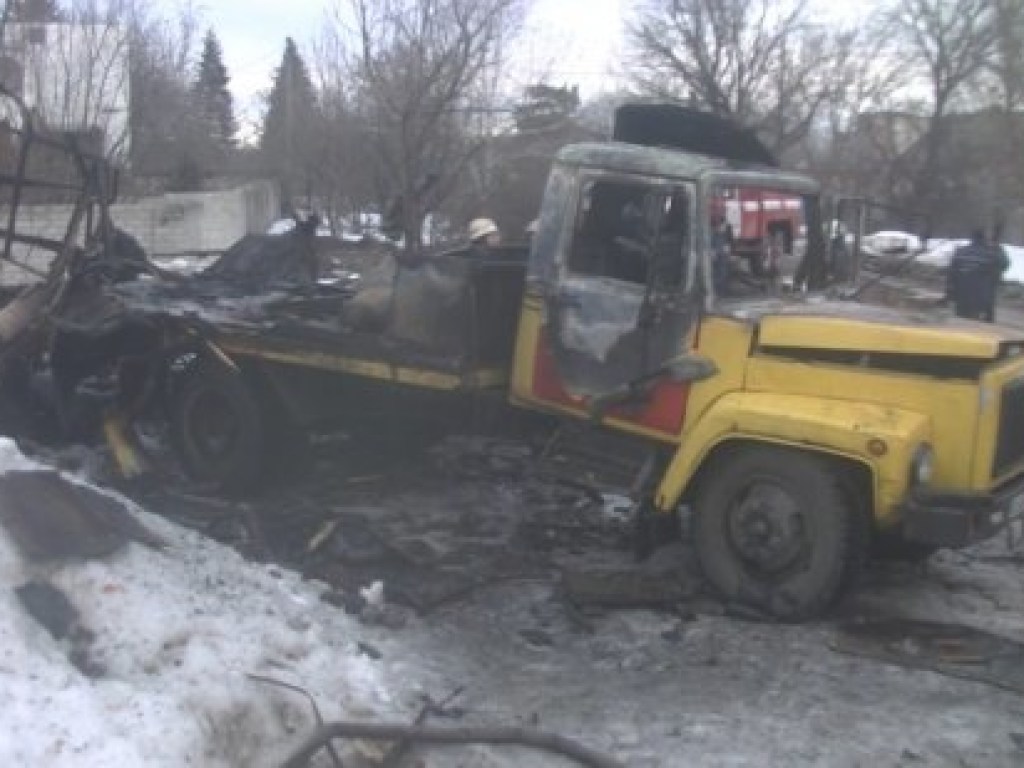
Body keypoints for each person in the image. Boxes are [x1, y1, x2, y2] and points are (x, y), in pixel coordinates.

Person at [946, 228, 1009, 322]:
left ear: (972, 238)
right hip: (981, 292)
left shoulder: (961, 251)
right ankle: (988, 316)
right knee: (974, 319)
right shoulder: (991, 253)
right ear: (984, 239)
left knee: (959, 318)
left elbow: (952, 270)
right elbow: (1004, 264)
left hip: (961, 291)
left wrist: (950, 289)